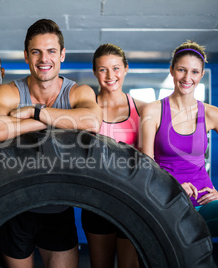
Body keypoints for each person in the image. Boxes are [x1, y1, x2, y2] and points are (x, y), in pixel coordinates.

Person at [0, 19, 102, 268]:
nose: (43, 58)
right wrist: (51, 120)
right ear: (26, 56)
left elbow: (92, 121)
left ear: (62, 55)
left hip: (58, 208)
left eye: (51, 51)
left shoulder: (77, 92)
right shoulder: (9, 92)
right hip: (15, 208)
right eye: (36, 51)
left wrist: (34, 113)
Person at [141, 41, 218, 268]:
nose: (187, 77)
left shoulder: (211, 113)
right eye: (182, 69)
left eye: (194, 71)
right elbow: (146, 165)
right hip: (165, 204)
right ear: (172, 70)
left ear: (202, 74)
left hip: (203, 205)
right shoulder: (153, 111)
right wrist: (172, 188)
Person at [81, 43, 146, 268]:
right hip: (97, 200)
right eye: (102, 69)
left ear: (126, 69)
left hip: (132, 200)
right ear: (95, 72)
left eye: (116, 68)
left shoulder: (144, 109)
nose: (110, 75)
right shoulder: (85, 110)